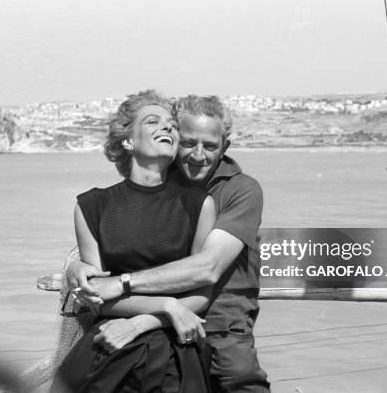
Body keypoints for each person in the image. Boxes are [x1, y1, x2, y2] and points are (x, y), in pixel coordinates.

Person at [70, 95, 271, 393]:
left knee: (238, 375)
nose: (198, 155)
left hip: (220, 321)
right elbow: (116, 242)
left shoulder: (238, 191)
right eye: (188, 142)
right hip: (145, 315)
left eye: (211, 146)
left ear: (224, 147)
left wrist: (125, 288)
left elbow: (207, 268)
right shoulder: (161, 178)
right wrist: (75, 266)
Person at [52, 90, 216, 393]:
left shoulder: (199, 204)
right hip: (111, 341)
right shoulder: (91, 205)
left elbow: (202, 294)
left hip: (175, 346)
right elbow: (98, 296)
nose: (167, 127)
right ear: (128, 141)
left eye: (172, 125)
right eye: (153, 121)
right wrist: (168, 304)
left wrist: (159, 317)